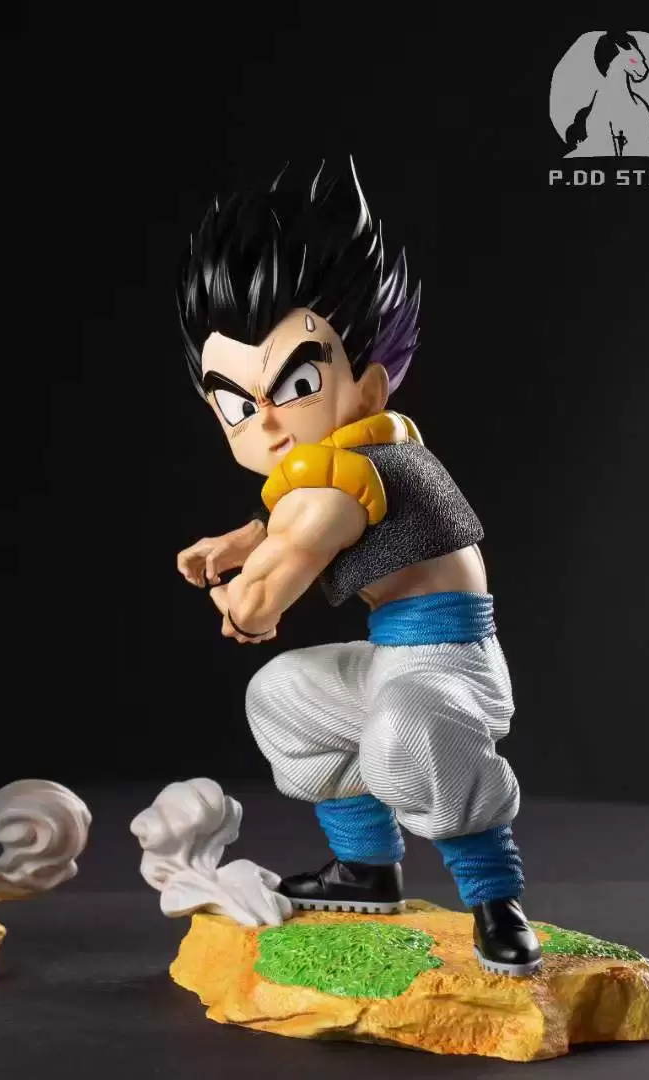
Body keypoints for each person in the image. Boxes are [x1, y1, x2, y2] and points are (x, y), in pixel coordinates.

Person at [173, 158, 542, 976]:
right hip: (394, 655)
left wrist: (247, 600)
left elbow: (292, 560)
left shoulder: (354, 471)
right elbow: (286, 524)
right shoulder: (334, 465)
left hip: (451, 666)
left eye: (296, 384)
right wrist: (236, 546)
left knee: (407, 739)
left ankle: (496, 899)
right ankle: (365, 870)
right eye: (237, 403)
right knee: (284, 698)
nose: (267, 423)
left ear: (367, 387)